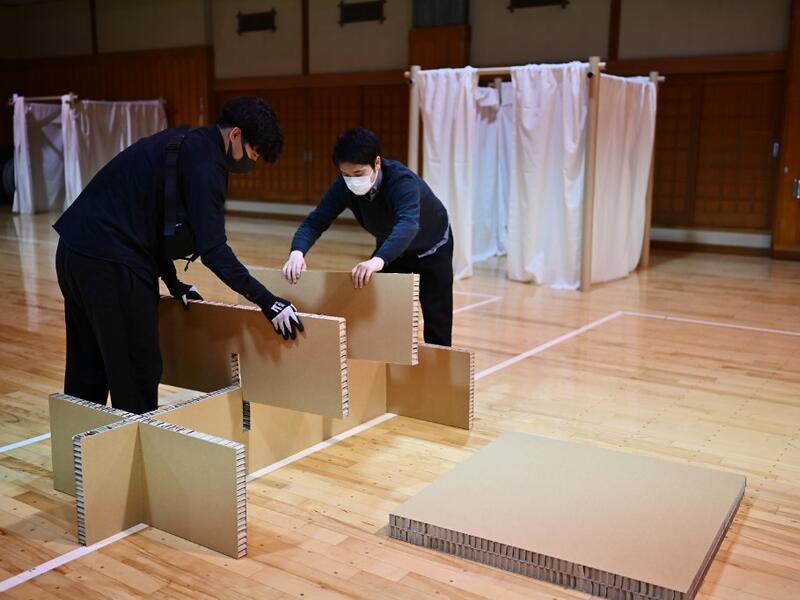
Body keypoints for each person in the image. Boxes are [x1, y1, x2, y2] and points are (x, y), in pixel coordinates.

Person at [54, 96, 303, 415]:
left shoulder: (183, 140)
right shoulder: (208, 165)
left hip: (74, 251)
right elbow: (214, 250)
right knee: (137, 370)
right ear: (235, 135)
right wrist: (269, 302)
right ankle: (135, 448)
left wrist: (174, 283)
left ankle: (78, 445)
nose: (250, 164)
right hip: (111, 263)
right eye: (253, 154)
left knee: (87, 367)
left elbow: (152, 223)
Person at [282, 127, 453, 346]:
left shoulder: (402, 181)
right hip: (392, 247)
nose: (352, 180)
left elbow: (408, 225)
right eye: (345, 175)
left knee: (437, 323)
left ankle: (436, 367)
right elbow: (315, 221)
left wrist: (377, 260)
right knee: (382, 315)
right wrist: (297, 253)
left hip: (431, 248)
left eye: (358, 174)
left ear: (377, 163)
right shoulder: (343, 186)